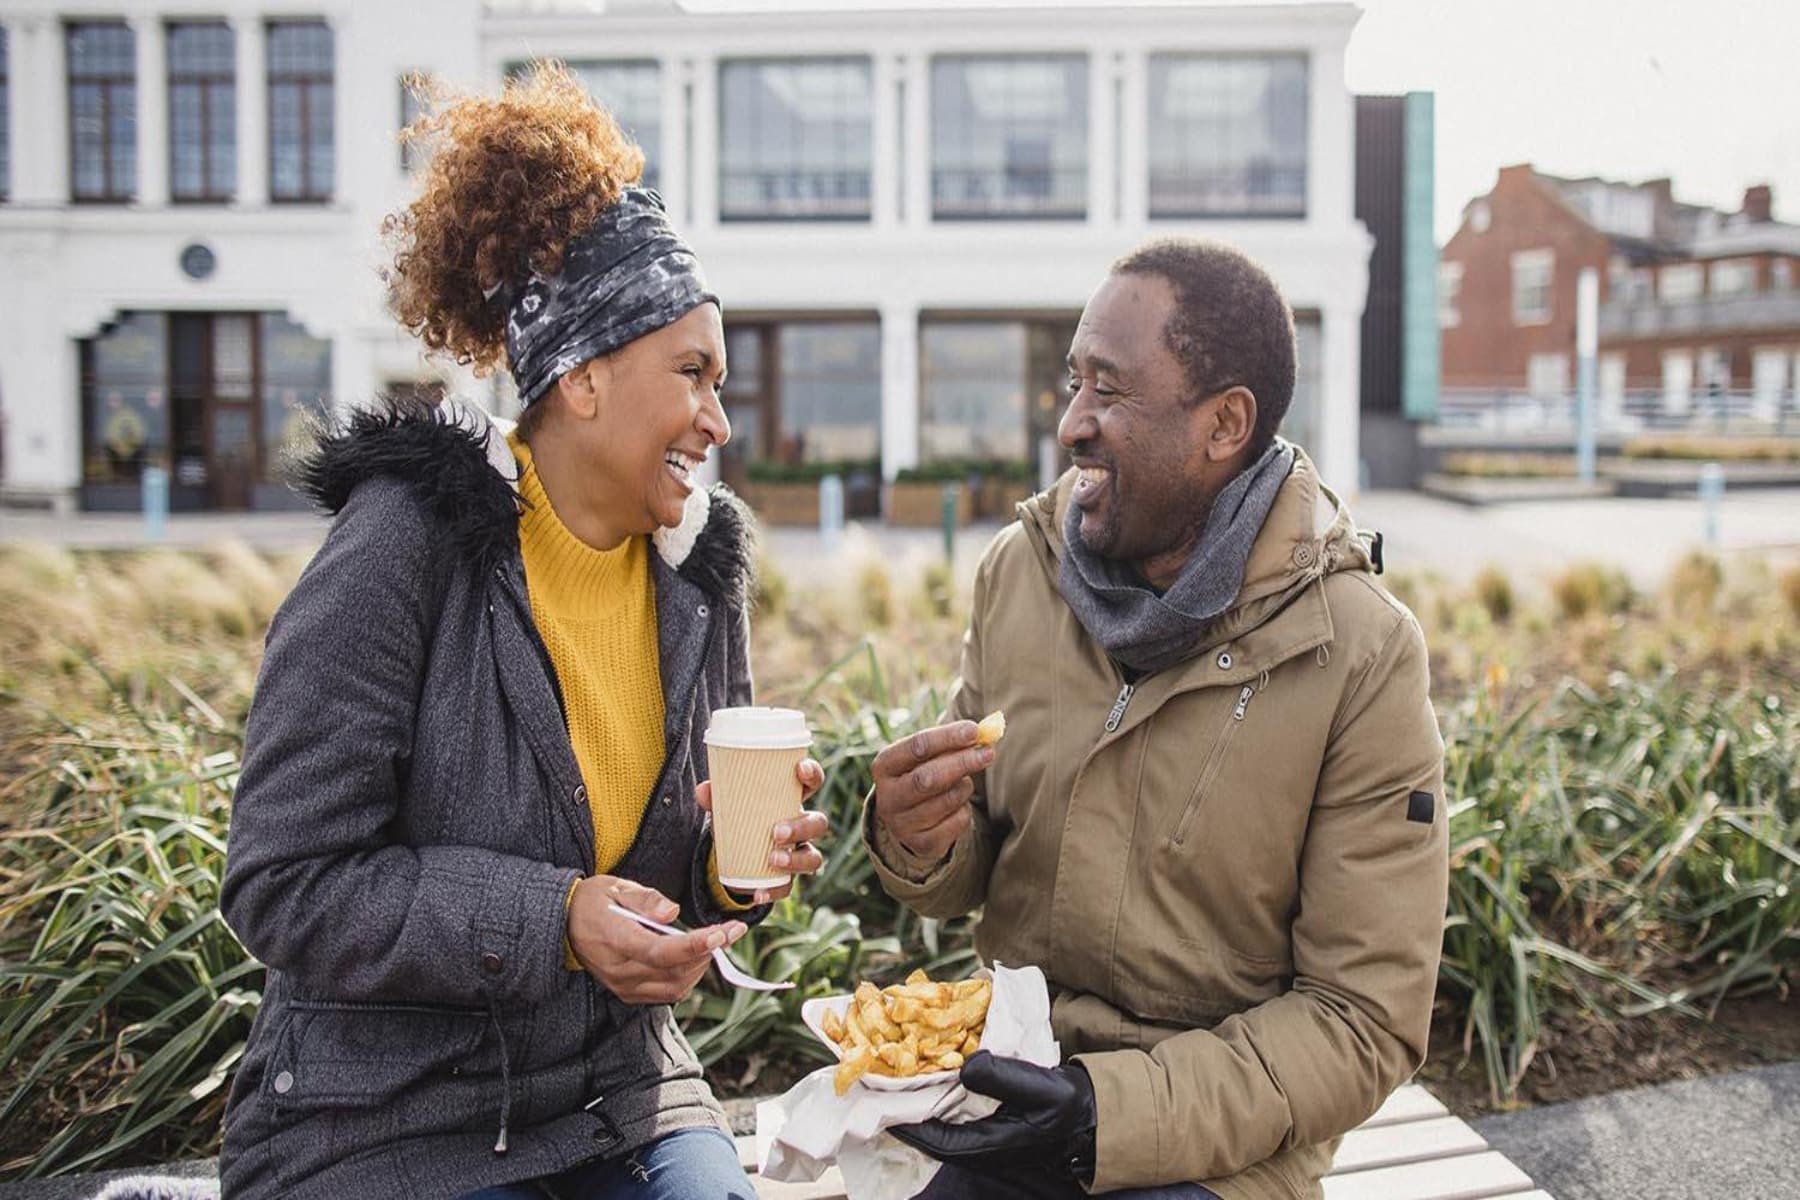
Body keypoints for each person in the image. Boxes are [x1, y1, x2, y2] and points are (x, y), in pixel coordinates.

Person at [217, 66, 827, 1200]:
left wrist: (731, 875)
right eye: (692, 373)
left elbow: (670, 883)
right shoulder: (408, 539)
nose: (719, 419)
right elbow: (283, 880)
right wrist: (552, 921)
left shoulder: (700, 566)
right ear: (584, 378)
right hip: (385, 1117)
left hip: (616, 1098)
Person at [869, 238, 1450, 1199]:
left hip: (1220, 1152)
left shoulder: (1360, 653)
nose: (1070, 426)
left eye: (1110, 391)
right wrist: (919, 838)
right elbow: (969, 868)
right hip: (1014, 1082)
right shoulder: (1022, 573)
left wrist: (1106, 1119)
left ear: (1224, 425)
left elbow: (1362, 1020)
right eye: (1073, 383)